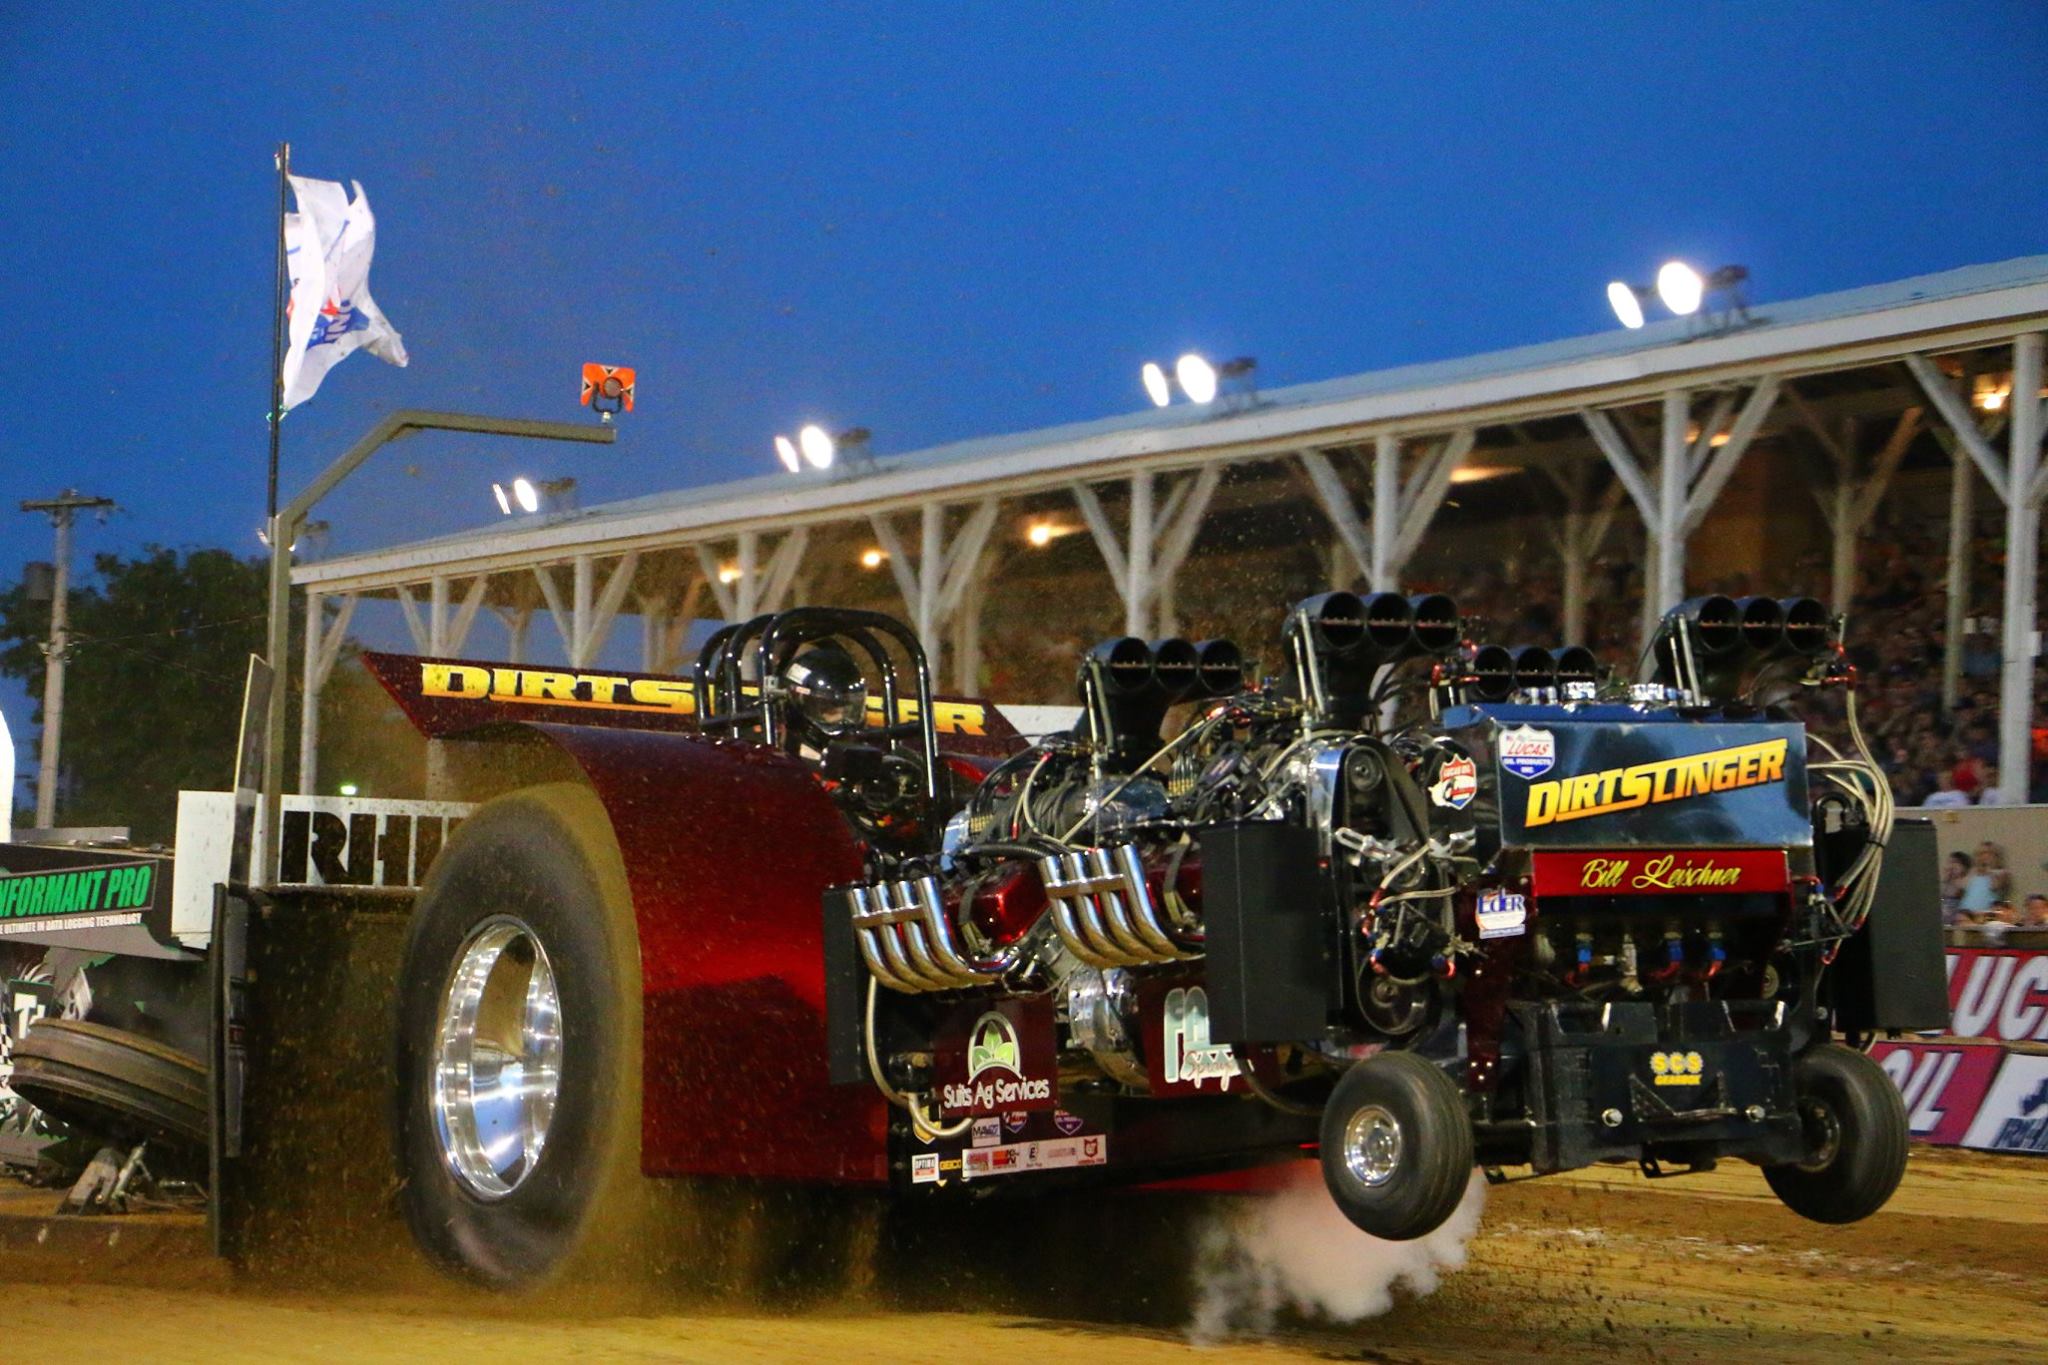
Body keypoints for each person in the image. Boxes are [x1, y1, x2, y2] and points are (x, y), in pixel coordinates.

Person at [1940, 851, 1972, 925]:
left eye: (1955, 862)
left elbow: (1959, 890)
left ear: (1964, 868)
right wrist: (1946, 880)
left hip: (1958, 918)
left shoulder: (1965, 881)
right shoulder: (1946, 883)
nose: (1951, 866)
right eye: (1950, 862)